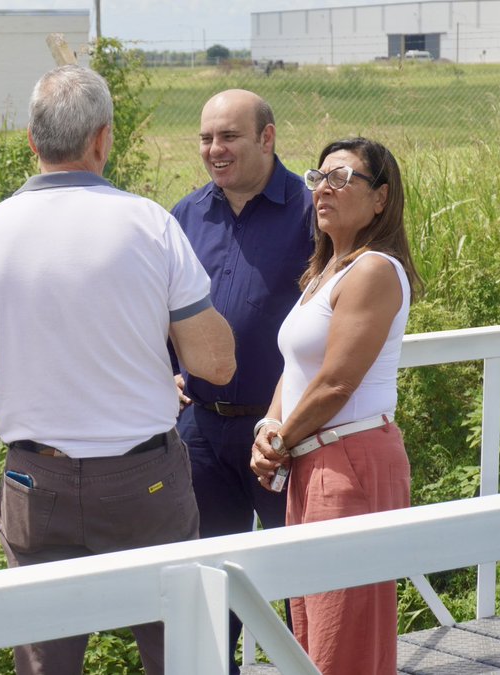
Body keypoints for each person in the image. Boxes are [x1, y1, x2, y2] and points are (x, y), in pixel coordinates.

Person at [0, 65, 237, 675]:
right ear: (102, 139)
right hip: (143, 479)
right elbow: (216, 363)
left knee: (45, 659)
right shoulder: (151, 224)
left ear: (32, 140)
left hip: (34, 481)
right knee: (176, 650)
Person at [251, 137, 422, 675]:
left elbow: (336, 384)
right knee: (314, 623)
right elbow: (296, 370)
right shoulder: (324, 272)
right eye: (317, 177)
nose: (323, 188)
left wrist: (279, 442)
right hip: (314, 456)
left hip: (350, 459)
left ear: (380, 199)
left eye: (342, 178)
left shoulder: (373, 269)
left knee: (344, 633)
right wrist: (270, 424)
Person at [170, 89, 313, 674]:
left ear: (267, 138)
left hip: (283, 435)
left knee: (300, 581)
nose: (214, 149)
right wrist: (163, 372)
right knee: (205, 586)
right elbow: (158, 311)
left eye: (228, 136)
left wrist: (291, 421)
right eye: (206, 137)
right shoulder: (184, 214)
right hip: (200, 432)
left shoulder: (311, 212)